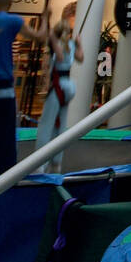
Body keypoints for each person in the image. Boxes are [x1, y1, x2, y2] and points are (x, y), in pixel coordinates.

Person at [0, 0, 50, 174]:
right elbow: (41, 37)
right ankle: (5, 185)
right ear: (10, 2)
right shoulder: (12, 20)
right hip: (1, 92)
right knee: (3, 143)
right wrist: (45, 19)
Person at [34, 17, 84, 168]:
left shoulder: (59, 44)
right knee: (60, 125)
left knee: (46, 124)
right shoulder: (71, 44)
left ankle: (39, 163)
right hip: (68, 86)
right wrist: (79, 44)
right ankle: (56, 161)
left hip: (59, 86)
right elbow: (81, 58)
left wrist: (52, 37)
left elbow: (60, 56)